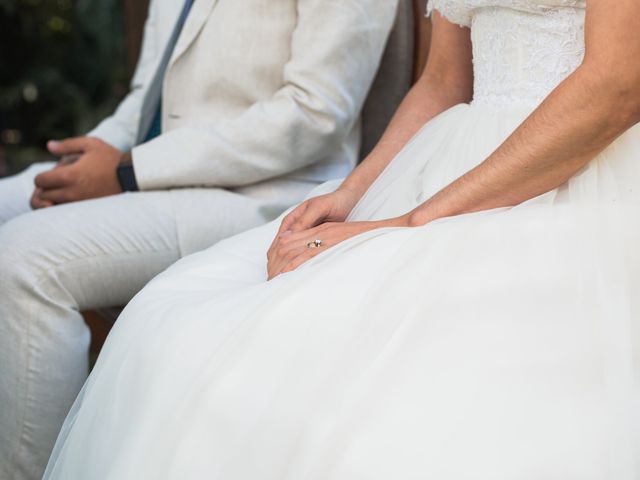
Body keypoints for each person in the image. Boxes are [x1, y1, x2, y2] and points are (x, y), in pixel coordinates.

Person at [44, 0, 640, 477]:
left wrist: (410, 223)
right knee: (179, 328)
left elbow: (617, 84)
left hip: (584, 173)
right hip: (447, 161)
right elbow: (442, 83)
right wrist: (351, 195)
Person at [0, 0, 400, 477]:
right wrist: (91, 160)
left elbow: (314, 112)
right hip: (152, 173)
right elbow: (147, 95)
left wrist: (130, 170)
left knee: (26, 258)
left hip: (262, 192)